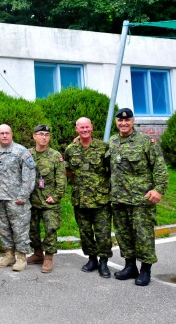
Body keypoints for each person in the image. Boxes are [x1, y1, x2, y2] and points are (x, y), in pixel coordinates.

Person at [108, 108, 168, 286]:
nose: (123, 123)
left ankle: (145, 269)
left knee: (143, 235)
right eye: (120, 121)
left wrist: (159, 190)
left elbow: (159, 167)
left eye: (127, 120)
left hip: (141, 198)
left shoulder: (145, 141)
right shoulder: (112, 141)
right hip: (119, 198)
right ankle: (130, 266)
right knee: (124, 234)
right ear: (116, 122)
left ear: (133, 121)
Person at [64, 117, 112, 278]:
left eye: (87, 127)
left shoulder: (103, 147)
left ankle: (104, 262)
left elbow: (110, 170)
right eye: (81, 127)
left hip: (101, 199)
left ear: (92, 128)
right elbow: (68, 170)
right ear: (77, 129)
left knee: (103, 232)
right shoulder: (71, 149)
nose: (84, 130)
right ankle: (92, 259)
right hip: (80, 199)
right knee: (85, 232)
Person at [0, 124, 36, 272]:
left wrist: (23, 195)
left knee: (20, 229)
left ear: (12, 134)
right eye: (1, 133)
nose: (4, 136)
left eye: (7, 133)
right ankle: (9, 255)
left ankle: (22, 257)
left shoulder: (21, 151)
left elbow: (29, 175)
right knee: (3, 229)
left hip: (17, 200)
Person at [27, 125, 66, 273]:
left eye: (47, 135)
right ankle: (38, 253)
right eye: (41, 134)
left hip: (49, 201)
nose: (44, 137)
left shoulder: (55, 155)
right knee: (32, 229)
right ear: (34, 136)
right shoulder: (28, 154)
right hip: (32, 200)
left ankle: (48, 257)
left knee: (51, 229)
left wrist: (56, 197)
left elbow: (61, 179)